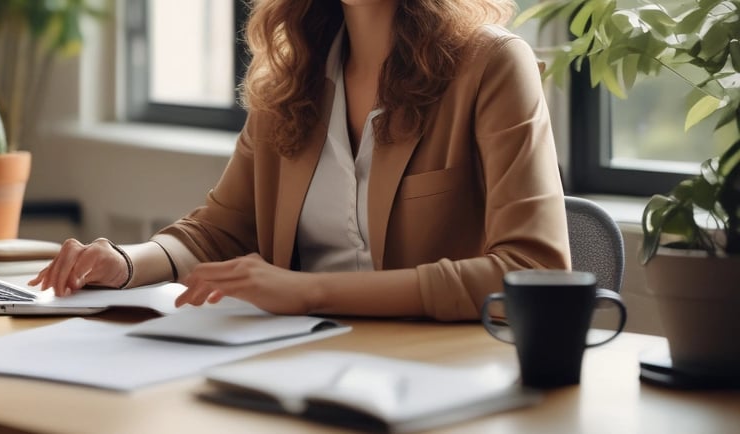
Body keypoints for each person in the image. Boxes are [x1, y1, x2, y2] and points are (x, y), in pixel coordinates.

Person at [29, 0, 571, 321]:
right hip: (296, 366)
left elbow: (535, 272)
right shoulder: (291, 80)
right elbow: (217, 232)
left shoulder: (492, 65)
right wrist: (126, 262)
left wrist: (310, 291)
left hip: (438, 373)